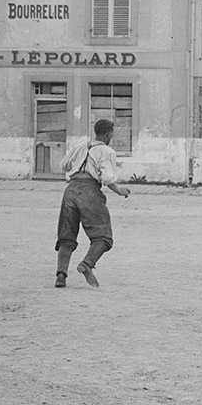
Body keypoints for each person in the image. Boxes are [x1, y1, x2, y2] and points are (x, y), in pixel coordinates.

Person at [55, 119, 131, 288]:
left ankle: (61, 275)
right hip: (89, 191)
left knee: (66, 235)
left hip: (70, 190)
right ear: (109, 134)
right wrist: (119, 191)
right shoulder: (107, 151)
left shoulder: (81, 147)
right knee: (104, 237)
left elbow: (64, 165)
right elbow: (107, 177)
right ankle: (87, 264)